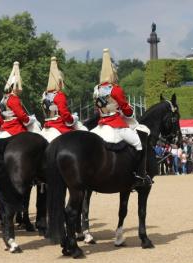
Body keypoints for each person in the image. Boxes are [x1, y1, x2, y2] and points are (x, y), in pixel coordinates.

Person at [91, 48, 151, 188]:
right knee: (138, 144)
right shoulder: (116, 89)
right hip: (115, 124)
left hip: (101, 124)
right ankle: (139, 175)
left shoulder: (96, 89)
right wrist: (128, 110)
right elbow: (127, 111)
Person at [40, 57, 79, 142]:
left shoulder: (44, 95)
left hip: (46, 125)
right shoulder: (59, 95)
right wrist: (72, 119)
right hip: (59, 126)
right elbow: (64, 114)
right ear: (60, 82)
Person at [0, 62, 37, 137]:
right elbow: (21, 116)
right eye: (20, 86)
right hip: (14, 126)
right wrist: (30, 119)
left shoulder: (5, 97)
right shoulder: (13, 99)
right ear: (16, 87)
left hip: (5, 124)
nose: (21, 88)